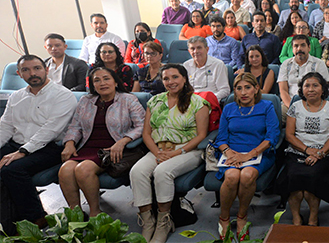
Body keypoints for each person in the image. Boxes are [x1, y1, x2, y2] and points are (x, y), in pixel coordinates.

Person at [130, 64, 209, 243]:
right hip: (159, 149)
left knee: (162, 172)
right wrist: (157, 152)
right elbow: (146, 134)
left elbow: (202, 135)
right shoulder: (155, 101)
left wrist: (176, 152)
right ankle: (148, 221)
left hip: (188, 150)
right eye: (166, 78)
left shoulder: (198, 102)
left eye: (175, 77)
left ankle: (164, 222)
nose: (170, 82)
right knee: (137, 171)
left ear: (184, 78)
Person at [0, 55, 77, 233]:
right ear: (19, 74)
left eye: (36, 68)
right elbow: (5, 126)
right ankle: (9, 219)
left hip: (49, 148)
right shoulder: (16, 97)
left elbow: (50, 131)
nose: (32, 73)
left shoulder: (63, 95)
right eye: (26, 70)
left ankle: (36, 217)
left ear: (46, 69)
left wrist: (23, 151)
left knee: (12, 169)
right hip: (18, 144)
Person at [59, 67, 145, 217]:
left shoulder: (128, 99)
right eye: (97, 80)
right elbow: (75, 125)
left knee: (83, 169)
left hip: (111, 148)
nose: (102, 83)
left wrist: (123, 141)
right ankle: (76, 214)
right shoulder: (86, 101)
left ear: (115, 82)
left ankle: (95, 212)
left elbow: (142, 125)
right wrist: (70, 142)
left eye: (106, 78)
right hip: (87, 146)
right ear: (92, 85)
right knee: (65, 170)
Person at [215, 73, 279, 240]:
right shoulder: (229, 108)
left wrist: (250, 155)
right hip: (232, 152)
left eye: (248, 87)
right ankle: (224, 218)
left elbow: (272, 137)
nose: (243, 92)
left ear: (256, 89)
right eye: (239, 88)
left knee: (247, 175)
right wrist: (229, 152)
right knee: (231, 176)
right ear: (234, 91)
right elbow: (221, 138)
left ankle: (242, 217)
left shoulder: (266, 106)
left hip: (259, 153)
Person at [283, 73, 329, 226]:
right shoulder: (295, 107)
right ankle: (296, 217)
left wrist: (319, 153)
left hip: (326, 153)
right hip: (297, 151)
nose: (311, 89)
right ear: (302, 90)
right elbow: (289, 135)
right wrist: (307, 150)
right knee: (294, 176)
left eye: (315, 85)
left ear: (323, 89)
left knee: (312, 176)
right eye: (307, 86)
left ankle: (313, 218)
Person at [278, 35, 329, 121]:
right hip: (289, 104)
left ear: (309, 48)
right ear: (292, 49)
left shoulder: (319, 64)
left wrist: (307, 107)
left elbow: (324, 89)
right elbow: (283, 90)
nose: (299, 49)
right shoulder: (286, 64)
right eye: (296, 46)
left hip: (313, 104)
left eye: (303, 45)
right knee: (276, 114)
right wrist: (292, 107)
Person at [183, 36, 231, 100]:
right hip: (190, 101)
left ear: (207, 49)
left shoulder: (218, 65)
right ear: (189, 51)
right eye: (192, 49)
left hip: (209, 101)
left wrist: (208, 98)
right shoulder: (186, 65)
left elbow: (225, 90)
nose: (196, 51)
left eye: (199, 48)